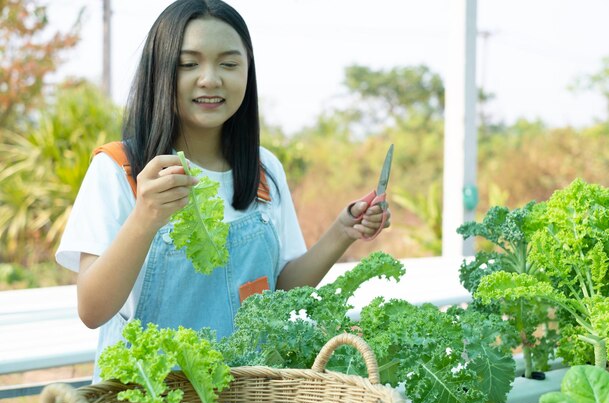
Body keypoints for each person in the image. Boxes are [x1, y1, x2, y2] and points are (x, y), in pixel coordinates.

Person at [56, 0, 390, 382]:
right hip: (147, 398)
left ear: (248, 72)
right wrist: (145, 218)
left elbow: (276, 295)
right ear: (159, 71)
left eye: (229, 64)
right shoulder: (120, 169)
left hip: (243, 396)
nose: (211, 79)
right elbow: (92, 310)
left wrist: (342, 232)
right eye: (189, 64)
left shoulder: (263, 170)